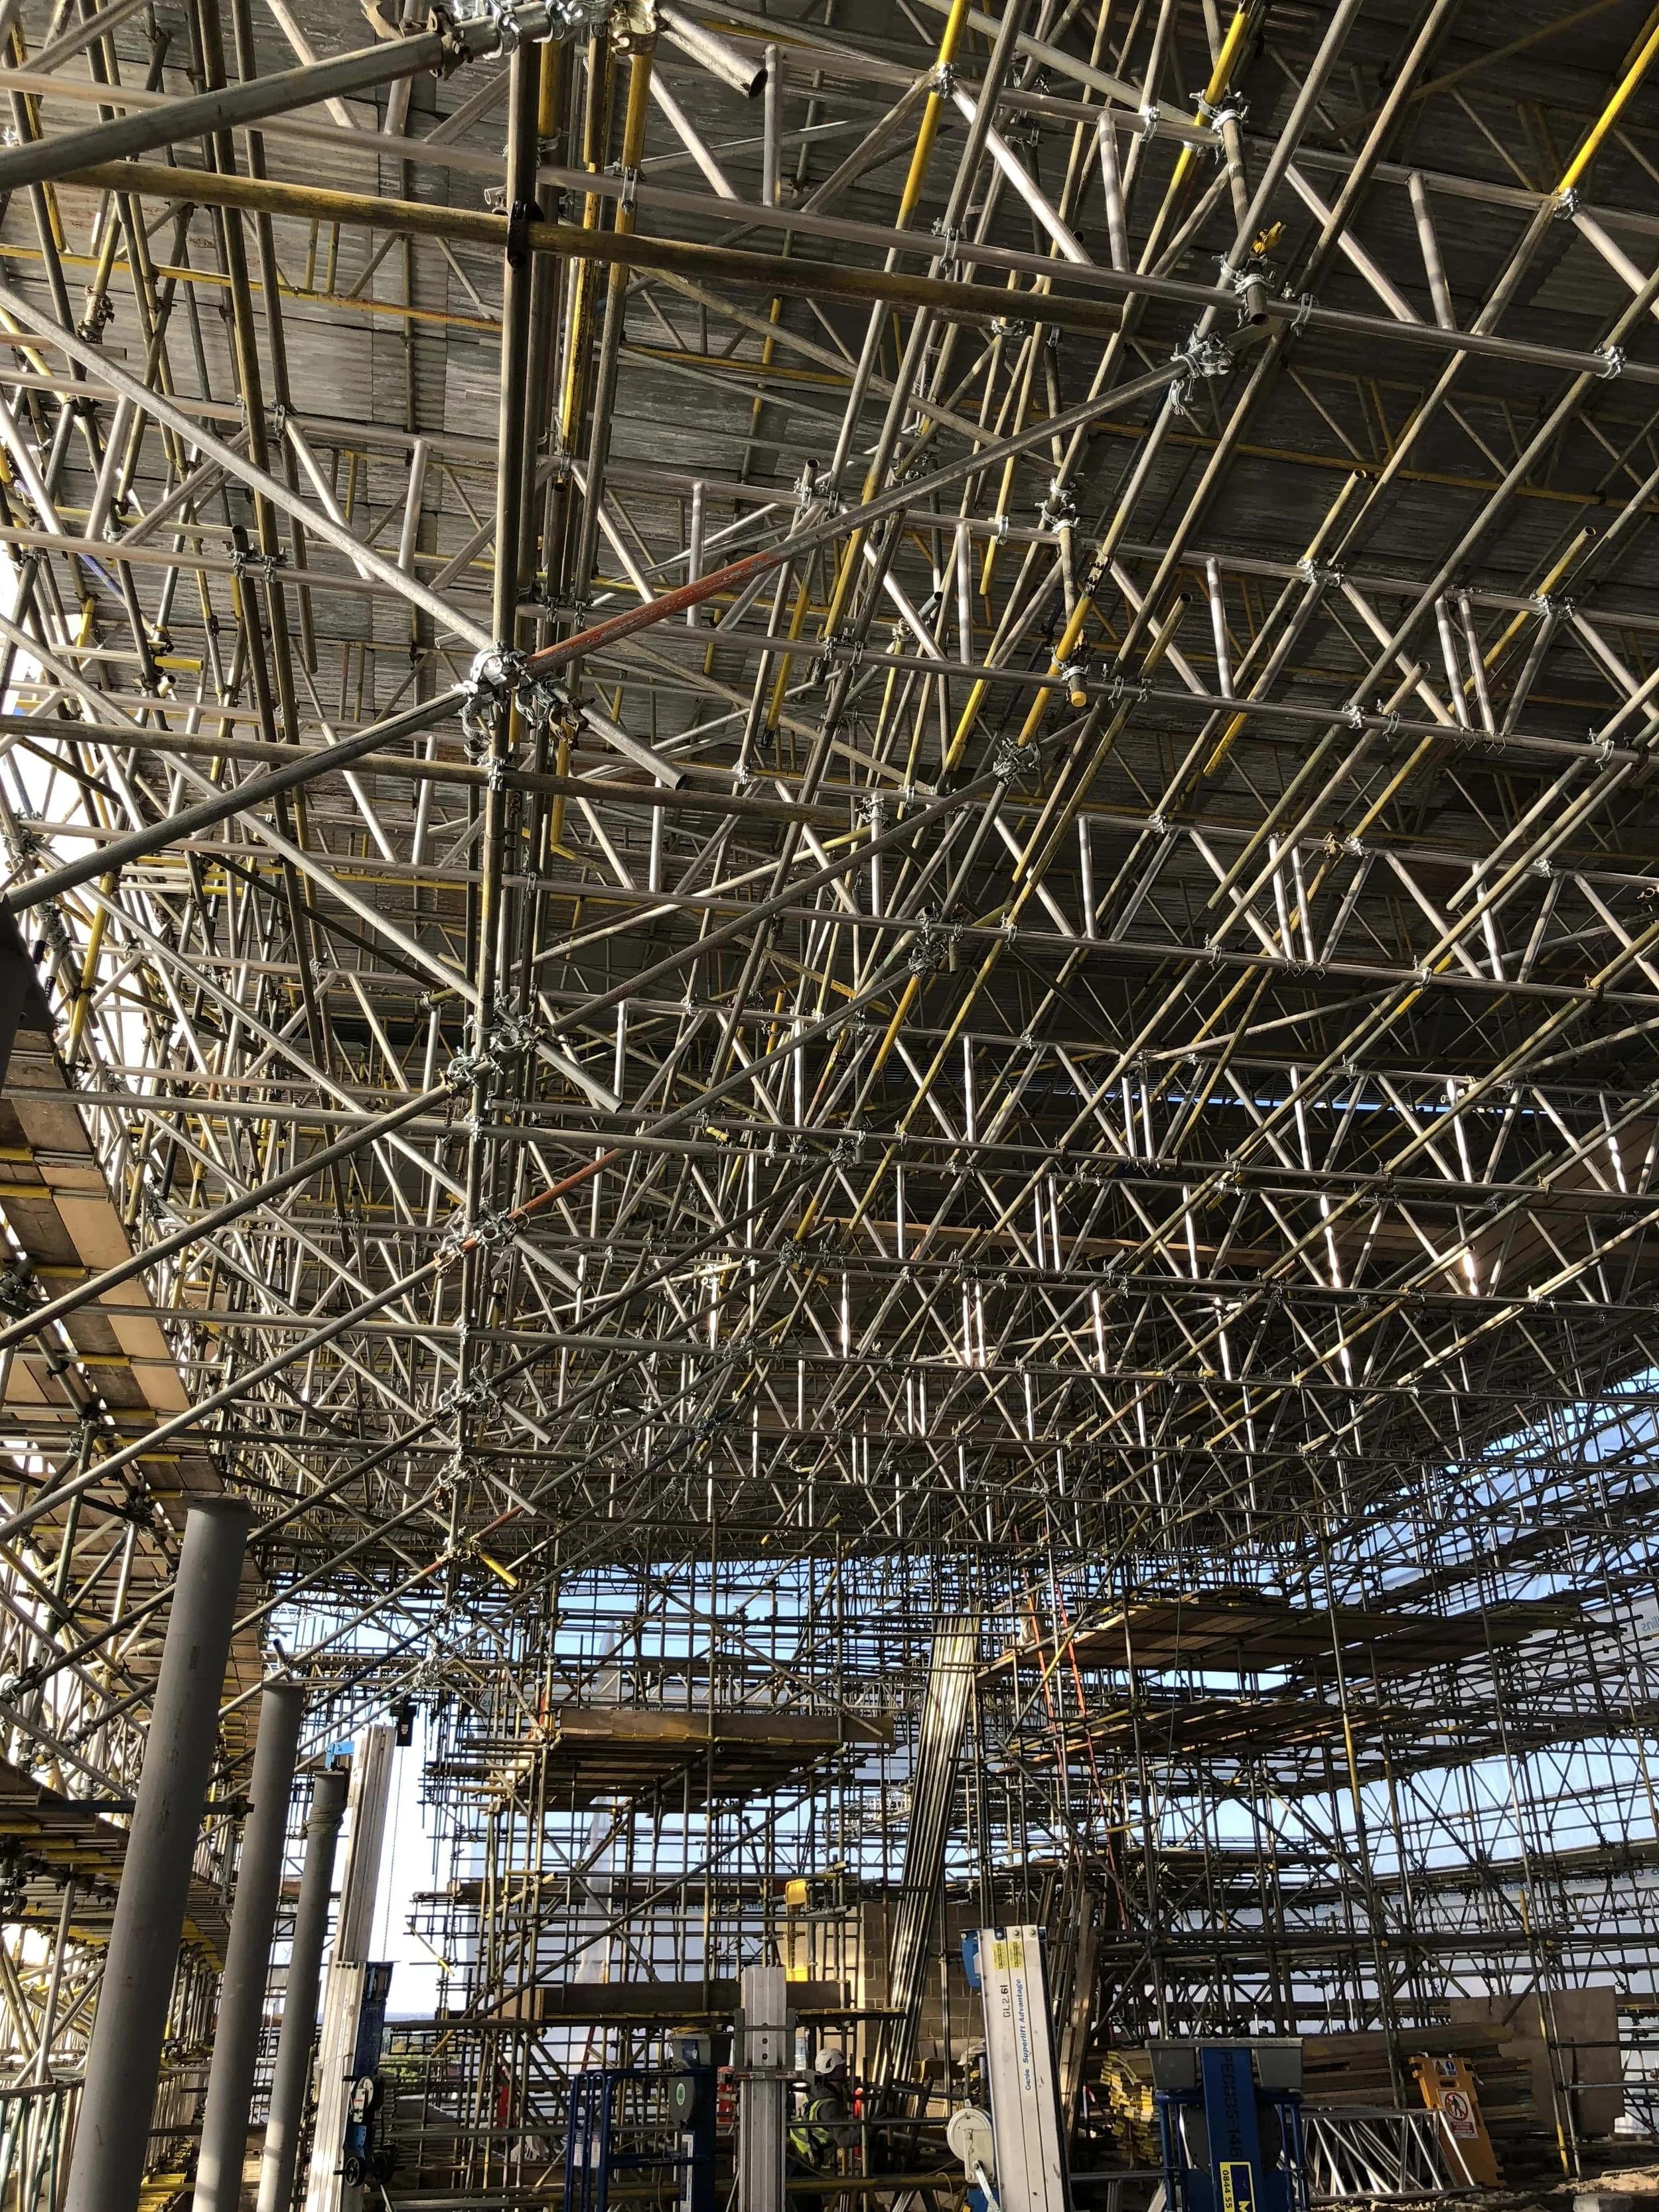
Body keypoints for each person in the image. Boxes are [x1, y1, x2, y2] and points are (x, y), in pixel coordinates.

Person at [788, 2047, 856, 2175]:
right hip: (802, 2165)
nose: (845, 2075)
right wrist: (868, 2129)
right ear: (835, 2072)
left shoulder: (815, 2092)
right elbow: (845, 2140)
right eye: (842, 2070)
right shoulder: (829, 2105)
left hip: (797, 2157)